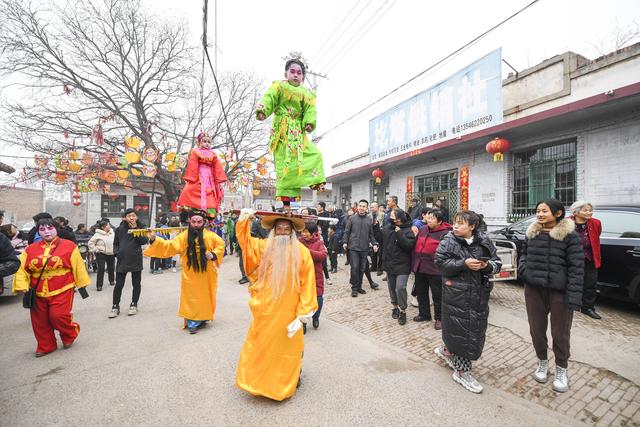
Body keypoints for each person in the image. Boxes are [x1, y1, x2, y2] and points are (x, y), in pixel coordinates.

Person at [235, 209, 317, 401]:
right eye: (278, 228)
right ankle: (259, 382)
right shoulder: (264, 246)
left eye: (286, 229)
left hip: (289, 310)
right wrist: (243, 222)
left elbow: (308, 282)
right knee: (261, 345)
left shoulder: (302, 252)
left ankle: (289, 379)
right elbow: (246, 244)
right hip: (266, 308)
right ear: (273, 230)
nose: (282, 231)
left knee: (288, 347)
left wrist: (305, 310)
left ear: (291, 231)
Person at [519, 199, 583, 393]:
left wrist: (573, 297)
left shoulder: (570, 237)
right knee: (536, 330)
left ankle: (561, 369)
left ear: (557, 213)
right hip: (534, 290)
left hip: (559, 293)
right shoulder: (532, 234)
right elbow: (523, 254)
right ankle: (542, 363)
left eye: (544, 211)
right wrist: (524, 271)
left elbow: (577, 268)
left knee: (560, 333)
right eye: (538, 210)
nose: (539, 214)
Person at [434, 210, 501, 394]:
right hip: (456, 293)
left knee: (471, 327)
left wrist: (487, 266)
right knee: (461, 328)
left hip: (478, 294)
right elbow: (439, 263)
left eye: (461, 223)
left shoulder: (484, 241)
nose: (455, 226)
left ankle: (448, 351)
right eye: (455, 223)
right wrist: (463, 263)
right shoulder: (448, 241)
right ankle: (462, 371)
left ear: (472, 226)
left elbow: (497, 263)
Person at [12, 218, 90, 357]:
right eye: (42, 229)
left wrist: (81, 283)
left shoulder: (69, 246)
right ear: (38, 231)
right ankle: (46, 345)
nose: (46, 232)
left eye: (50, 228)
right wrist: (21, 285)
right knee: (40, 321)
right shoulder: (30, 249)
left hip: (63, 287)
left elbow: (78, 265)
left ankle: (70, 334)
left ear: (56, 229)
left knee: (58, 316)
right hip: (37, 289)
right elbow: (22, 269)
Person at [256, 58, 326, 209]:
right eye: (292, 72)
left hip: (298, 134)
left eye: (299, 73)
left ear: (302, 77)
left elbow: (310, 110)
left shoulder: (307, 94)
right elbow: (270, 98)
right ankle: (286, 204)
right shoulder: (279, 86)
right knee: (284, 168)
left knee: (315, 154)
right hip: (282, 133)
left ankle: (316, 182)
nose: (295, 75)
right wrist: (263, 111)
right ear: (286, 73)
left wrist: (309, 123)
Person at [144, 210, 226, 334]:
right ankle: (193, 322)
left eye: (199, 222)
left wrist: (214, 254)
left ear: (204, 222)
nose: (196, 224)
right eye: (194, 222)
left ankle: (203, 318)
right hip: (190, 274)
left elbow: (221, 244)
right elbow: (170, 246)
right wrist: (154, 239)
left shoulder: (211, 235)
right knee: (192, 297)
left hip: (207, 273)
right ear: (189, 221)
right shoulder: (184, 236)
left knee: (206, 295)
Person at [411, 208, 452, 328]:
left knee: (437, 295)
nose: (429, 220)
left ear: (439, 221)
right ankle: (424, 314)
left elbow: (447, 252)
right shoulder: (423, 229)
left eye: (432, 218)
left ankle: (439, 318)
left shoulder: (445, 233)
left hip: (435, 269)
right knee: (421, 292)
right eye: (428, 217)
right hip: (420, 266)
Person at [109, 209, 149, 318]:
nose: (131, 217)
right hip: (122, 260)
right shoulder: (119, 229)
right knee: (119, 285)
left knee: (136, 283)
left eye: (133, 215)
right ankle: (115, 306)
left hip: (135, 258)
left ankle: (134, 304)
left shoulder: (141, 228)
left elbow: (143, 241)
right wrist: (117, 253)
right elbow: (116, 243)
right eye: (129, 216)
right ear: (125, 217)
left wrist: (135, 228)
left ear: (136, 217)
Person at [177, 132, 228, 216]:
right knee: (189, 190)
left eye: (208, 142)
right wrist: (192, 177)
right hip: (198, 175)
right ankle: (190, 208)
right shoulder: (195, 151)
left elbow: (217, 166)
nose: (207, 144)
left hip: (210, 177)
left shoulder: (213, 154)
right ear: (199, 142)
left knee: (211, 194)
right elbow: (193, 165)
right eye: (204, 141)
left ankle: (209, 214)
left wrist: (218, 179)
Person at [381, 208, 416, 325]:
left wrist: (399, 232)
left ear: (398, 219)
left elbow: (408, 246)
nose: (389, 216)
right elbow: (381, 240)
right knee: (392, 287)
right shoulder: (387, 228)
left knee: (400, 287)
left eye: (392, 215)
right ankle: (395, 307)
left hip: (403, 265)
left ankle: (403, 310)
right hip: (389, 263)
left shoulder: (408, 230)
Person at [569, 201, 602, 320]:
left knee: (591, 283)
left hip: (589, 258)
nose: (589, 212)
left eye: (590, 210)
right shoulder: (567, 223)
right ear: (576, 212)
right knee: (571, 282)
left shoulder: (596, 223)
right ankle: (571, 305)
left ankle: (588, 307)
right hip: (572, 258)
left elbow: (595, 238)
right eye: (585, 210)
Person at [343, 200, 379, 297]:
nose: (361, 208)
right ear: (357, 207)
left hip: (364, 248)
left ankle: (359, 287)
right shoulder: (352, 218)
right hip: (353, 247)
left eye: (364, 206)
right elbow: (347, 231)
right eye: (360, 206)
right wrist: (345, 242)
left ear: (366, 208)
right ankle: (354, 289)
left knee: (362, 269)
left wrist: (375, 243)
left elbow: (371, 234)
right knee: (355, 267)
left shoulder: (369, 219)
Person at [300, 222, 327, 330]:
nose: (304, 234)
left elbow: (323, 256)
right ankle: (303, 322)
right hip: (302, 275)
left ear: (313, 233)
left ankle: (316, 317)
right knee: (302, 299)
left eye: (306, 232)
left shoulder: (319, 243)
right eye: (303, 231)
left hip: (316, 275)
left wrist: (307, 252)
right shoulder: (299, 242)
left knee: (318, 298)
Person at [88, 220, 115, 291]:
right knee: (101, 268)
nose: (109, 226)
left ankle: (112, 280)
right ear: (103, 227)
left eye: (109, 225)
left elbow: (116, 241)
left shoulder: (112, 233)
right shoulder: (97, 234)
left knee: (111, 267)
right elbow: (90, 243)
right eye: (107, 225)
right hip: (101, 253)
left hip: (111, 253)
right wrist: (95, 250)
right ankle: (99, 285)